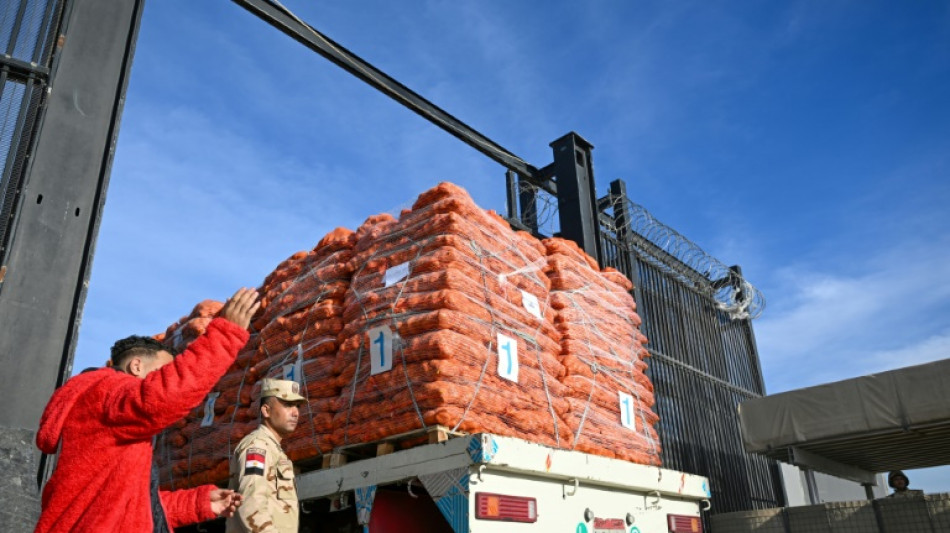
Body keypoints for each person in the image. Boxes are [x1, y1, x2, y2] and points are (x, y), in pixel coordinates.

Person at [35, 288, 261, 533]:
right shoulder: (105, 392)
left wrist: (199, 503)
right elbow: (162, 397)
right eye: (163, 371)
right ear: (136, 366)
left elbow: (131, 504)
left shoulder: (115, 423)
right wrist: (225, 334)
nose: (166, 377)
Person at [226, 378, 306, 533]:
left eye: (297, 406)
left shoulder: (273, 450)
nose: (295, 412)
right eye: (288, 405)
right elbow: (250, 502)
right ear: (266, 411)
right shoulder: (257, 447)